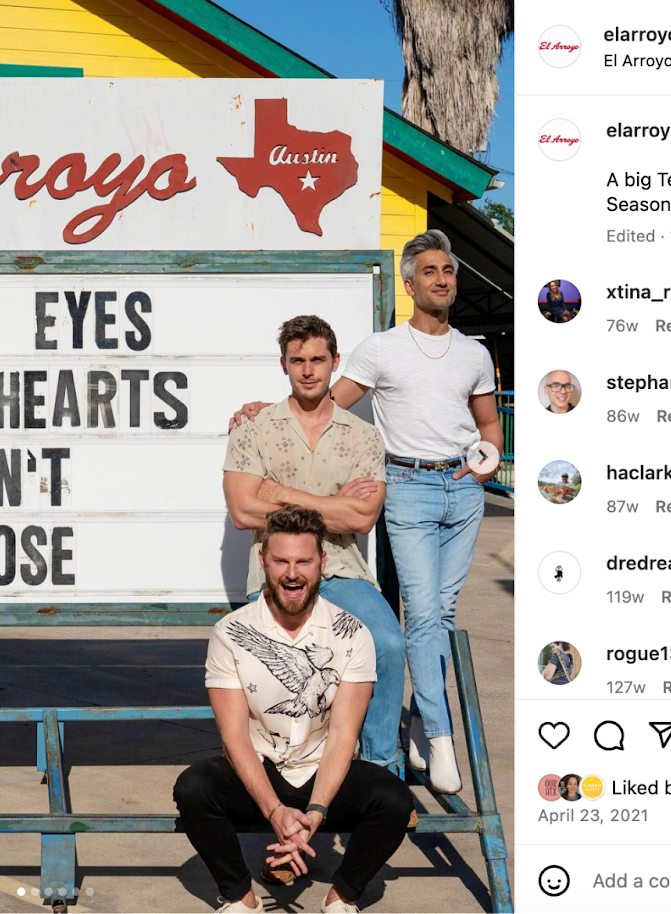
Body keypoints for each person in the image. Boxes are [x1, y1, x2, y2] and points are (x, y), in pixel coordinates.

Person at [232, 230, 502, 795]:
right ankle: (435, 736)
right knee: (423, 615)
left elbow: (487, 426)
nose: (442, 279)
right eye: (429, 271)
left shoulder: (474, 353)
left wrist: (485, 464)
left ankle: (402, 747)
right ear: (409, 284)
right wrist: (261, 411)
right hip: (406, 486)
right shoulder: (380, 351)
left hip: (459, 492)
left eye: (448, 271)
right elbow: (323, 405)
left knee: (434, 619)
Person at [174, 506, 412, 914]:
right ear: (262, 560)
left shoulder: (353, 633)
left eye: (303, 561)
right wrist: (275, 810)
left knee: (393, 799)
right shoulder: (231, 632)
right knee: (194, 788)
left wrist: (315, 813)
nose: (292, 573)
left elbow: (343, 735)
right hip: (261, 768)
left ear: (322, 562)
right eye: (281, 560)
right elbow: (233, 737)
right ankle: (239, 899)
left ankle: (341, 898)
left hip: (324, 770)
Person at [222, 316, 408, 773]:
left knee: (387, 643)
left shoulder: (363, 436)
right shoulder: (254, 428)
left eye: (318, 360)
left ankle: (379, 770)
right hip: (278, 573)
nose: (308, 370)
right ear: (283, 364)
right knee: (284, 658)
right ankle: (285, 769)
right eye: (298, 360)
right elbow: (244, 511)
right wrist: (332, 506)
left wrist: (282, 494)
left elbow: (362, 518)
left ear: (335, 363)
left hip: (343, 569)